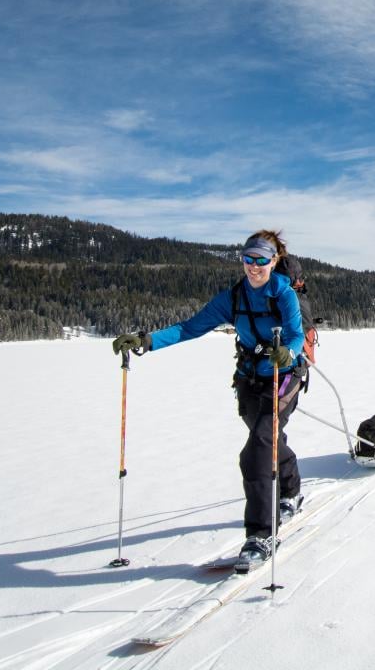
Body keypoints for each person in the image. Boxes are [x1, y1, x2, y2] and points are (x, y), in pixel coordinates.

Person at [112, 230, 307, 564]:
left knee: (257, 449)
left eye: (261, 259)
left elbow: (295, 334)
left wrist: (287, 354)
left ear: (274, 261)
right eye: (248, 259)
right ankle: (290, 491)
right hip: (248, 380)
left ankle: (260, 537)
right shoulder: (233, 298)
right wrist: (147, 341)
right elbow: (190, 327)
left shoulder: (284, 295)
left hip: (283, 377)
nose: (253, 266)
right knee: (269, 439)